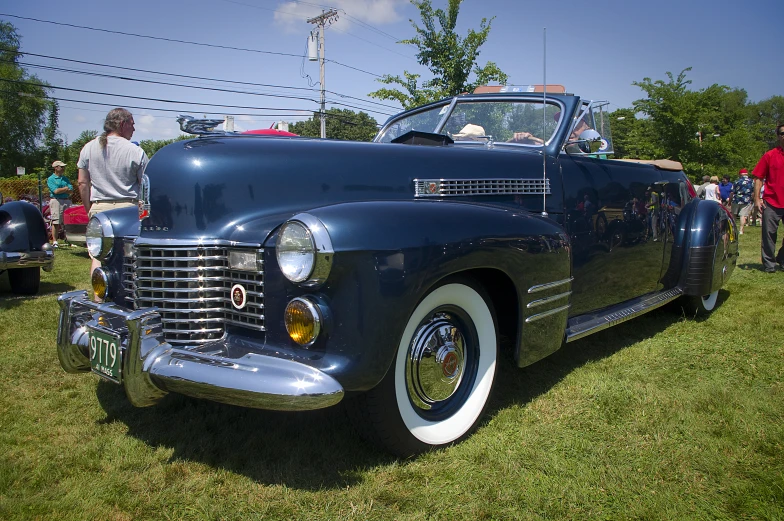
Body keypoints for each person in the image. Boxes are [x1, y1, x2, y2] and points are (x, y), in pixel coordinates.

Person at [77, 108, 148, 280]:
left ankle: (99, 299)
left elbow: (82, 183)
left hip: (99, 209)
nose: (134, 128)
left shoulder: (88, 148)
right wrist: (144, 214)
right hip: (128, 210)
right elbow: (145, 186)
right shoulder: (135, 151)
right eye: (132, 124)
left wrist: (90, 209)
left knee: (98, 256)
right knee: (129, 257)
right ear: (122, 124)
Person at [752, 124, 784, 272]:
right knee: (769, 236)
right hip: (771, 202)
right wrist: (757, 199)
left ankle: (782, 258)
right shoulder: (770, 155)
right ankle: (769, 265)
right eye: (782, 133)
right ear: (778, 136)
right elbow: (758, 177)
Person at [46, 160, 73, 247]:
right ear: (56, 168)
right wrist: (65, 189)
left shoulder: (65, 179)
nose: (63, 168)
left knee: (68, 222)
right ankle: (55, 241)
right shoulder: (51, 179)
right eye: (61, 167)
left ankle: (69, 240)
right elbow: (56, 191)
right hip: (56, 201)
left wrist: (63, 189)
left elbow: (71, 190)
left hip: (66, 200)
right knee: (56, 221)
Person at [733, 168, 754, 235]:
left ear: (740, 174)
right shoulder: (751, 181)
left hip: (736, 199)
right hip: (746, 200)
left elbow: (732, 192)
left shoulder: (737, 181)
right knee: (743, 215)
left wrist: (730, 200)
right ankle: (741, 230)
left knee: (734, 215)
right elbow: (753, 192)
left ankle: (733, 229)